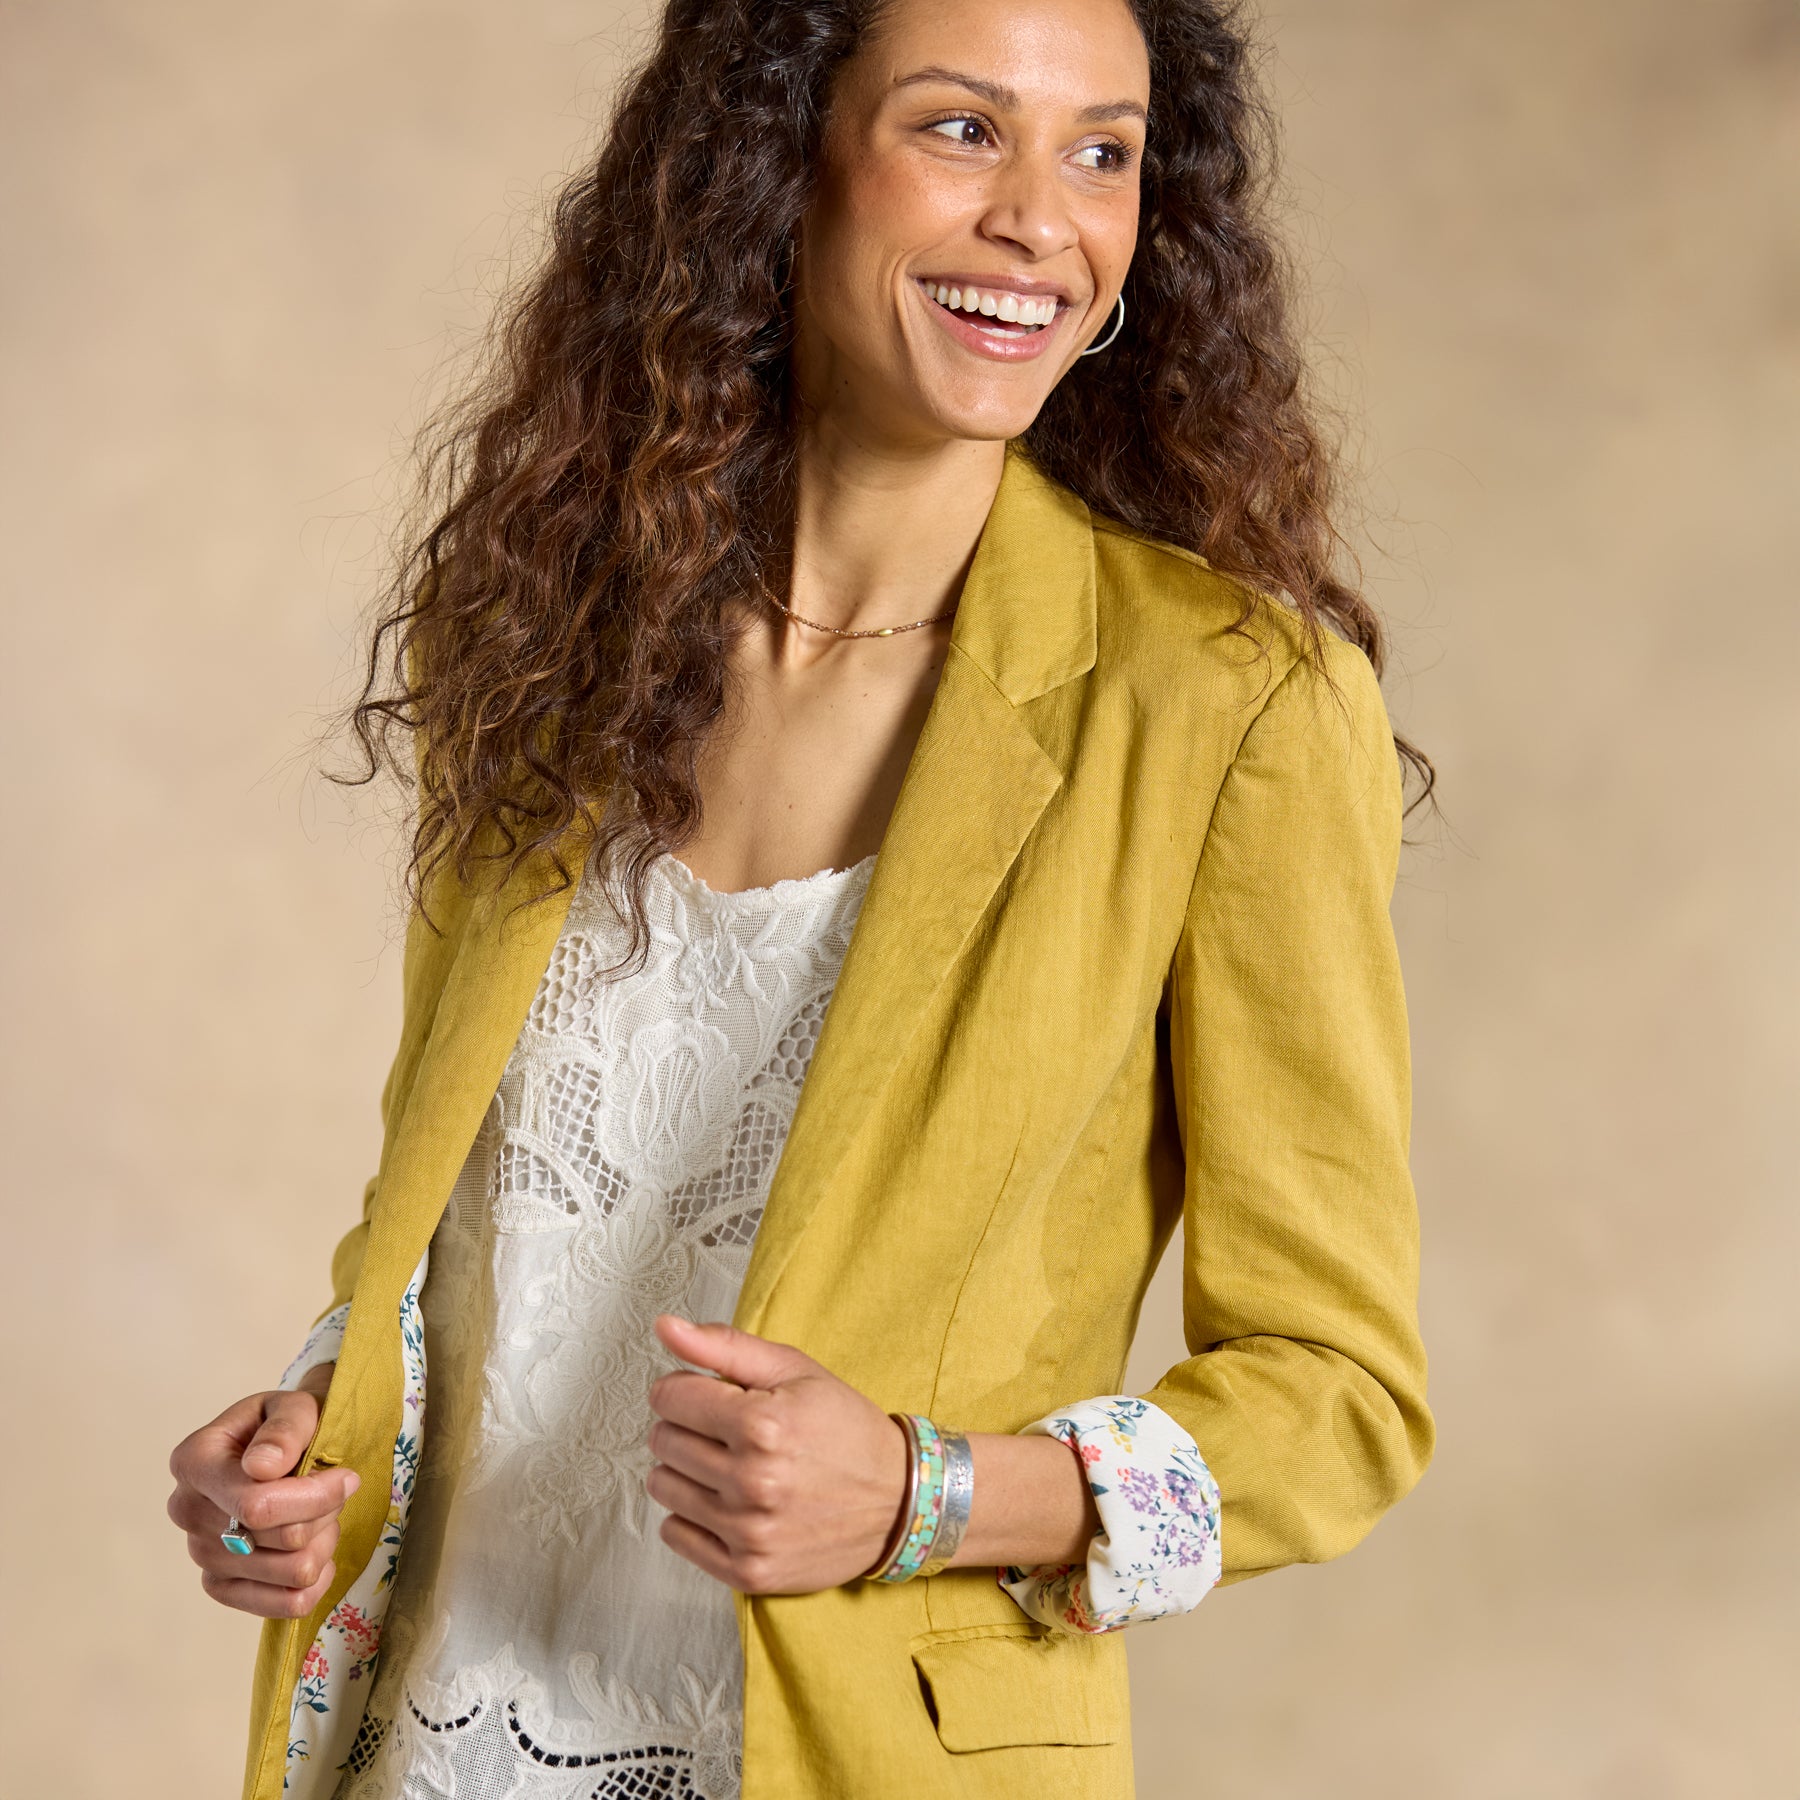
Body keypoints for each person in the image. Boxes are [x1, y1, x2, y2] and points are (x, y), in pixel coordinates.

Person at [167, 1, 1434, 1796]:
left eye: (1102, 152)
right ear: (777, 162)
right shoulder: (552, 641)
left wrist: (935, 1494)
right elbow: (476, 1233)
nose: (1040, 219)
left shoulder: (1228, 707)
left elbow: (1340, 1393)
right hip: (429, 1741)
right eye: (961, 128)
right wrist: (309, 1440)